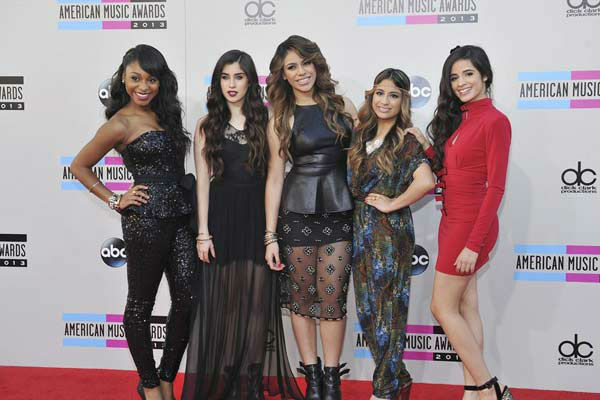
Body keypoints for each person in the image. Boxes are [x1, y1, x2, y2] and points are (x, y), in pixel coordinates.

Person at [70, 44, 195, 400]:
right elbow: (79, 165)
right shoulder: (119, 123)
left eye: (151, 78)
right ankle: (151, 386)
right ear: (123, 78)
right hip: (146, 221)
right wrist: (115, 199)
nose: (144, 85)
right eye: (136, 77)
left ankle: (168, 378)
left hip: (181, 218)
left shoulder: (165, 115)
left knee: (187, 300)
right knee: (141, 304)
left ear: (160, 81)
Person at [180, 50, 302, 400]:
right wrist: (203, 232)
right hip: (220, 219)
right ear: (217, 82)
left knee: (256, 305)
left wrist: (270, 235)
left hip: (257, 218)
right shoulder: (208, 125)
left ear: (251, 81)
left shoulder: (269, 122)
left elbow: (275, 179)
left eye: (238, 77)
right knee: (226, 304)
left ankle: (249, 384)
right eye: (225, 77)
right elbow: (202, 181)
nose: (231, 84)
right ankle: (226, 382)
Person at [406, 45, 514, 400]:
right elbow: (451, 167)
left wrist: (473, 243)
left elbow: (495, 188)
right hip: (452, 221)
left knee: (441, 307)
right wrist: (425, 144)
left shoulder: (495, 121)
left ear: (485, 76)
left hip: (471, 226)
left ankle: (489, 387)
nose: (461, 82)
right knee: (466, 307)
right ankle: (472, 392)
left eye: (468, 73)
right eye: (454, 77)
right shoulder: (463, 119)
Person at [264, 35, 357, 400]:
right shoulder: (281, 117)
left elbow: (366, 152)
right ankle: (313, 380)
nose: (301, 72)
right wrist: (270, 235)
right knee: (302, 299)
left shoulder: (343, 105)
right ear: (282, 75)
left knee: (332, 299)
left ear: (316, 64)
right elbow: (274, 176)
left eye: (305, 63)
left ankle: (332, 381)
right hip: (296, 213)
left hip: (338, 212)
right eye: (291, 67)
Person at [348, 68, 435, 400]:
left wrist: (393, 203)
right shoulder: (359, 135)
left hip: (390, 234)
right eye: (380, 93)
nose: (385, 101)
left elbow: (426, 181)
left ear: (403, 101)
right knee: (369, 313)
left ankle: (383, 390)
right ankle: (399, 382)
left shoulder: (406, 139)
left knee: (390, 312)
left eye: (394, 95)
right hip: (358, 230)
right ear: (372, 95)